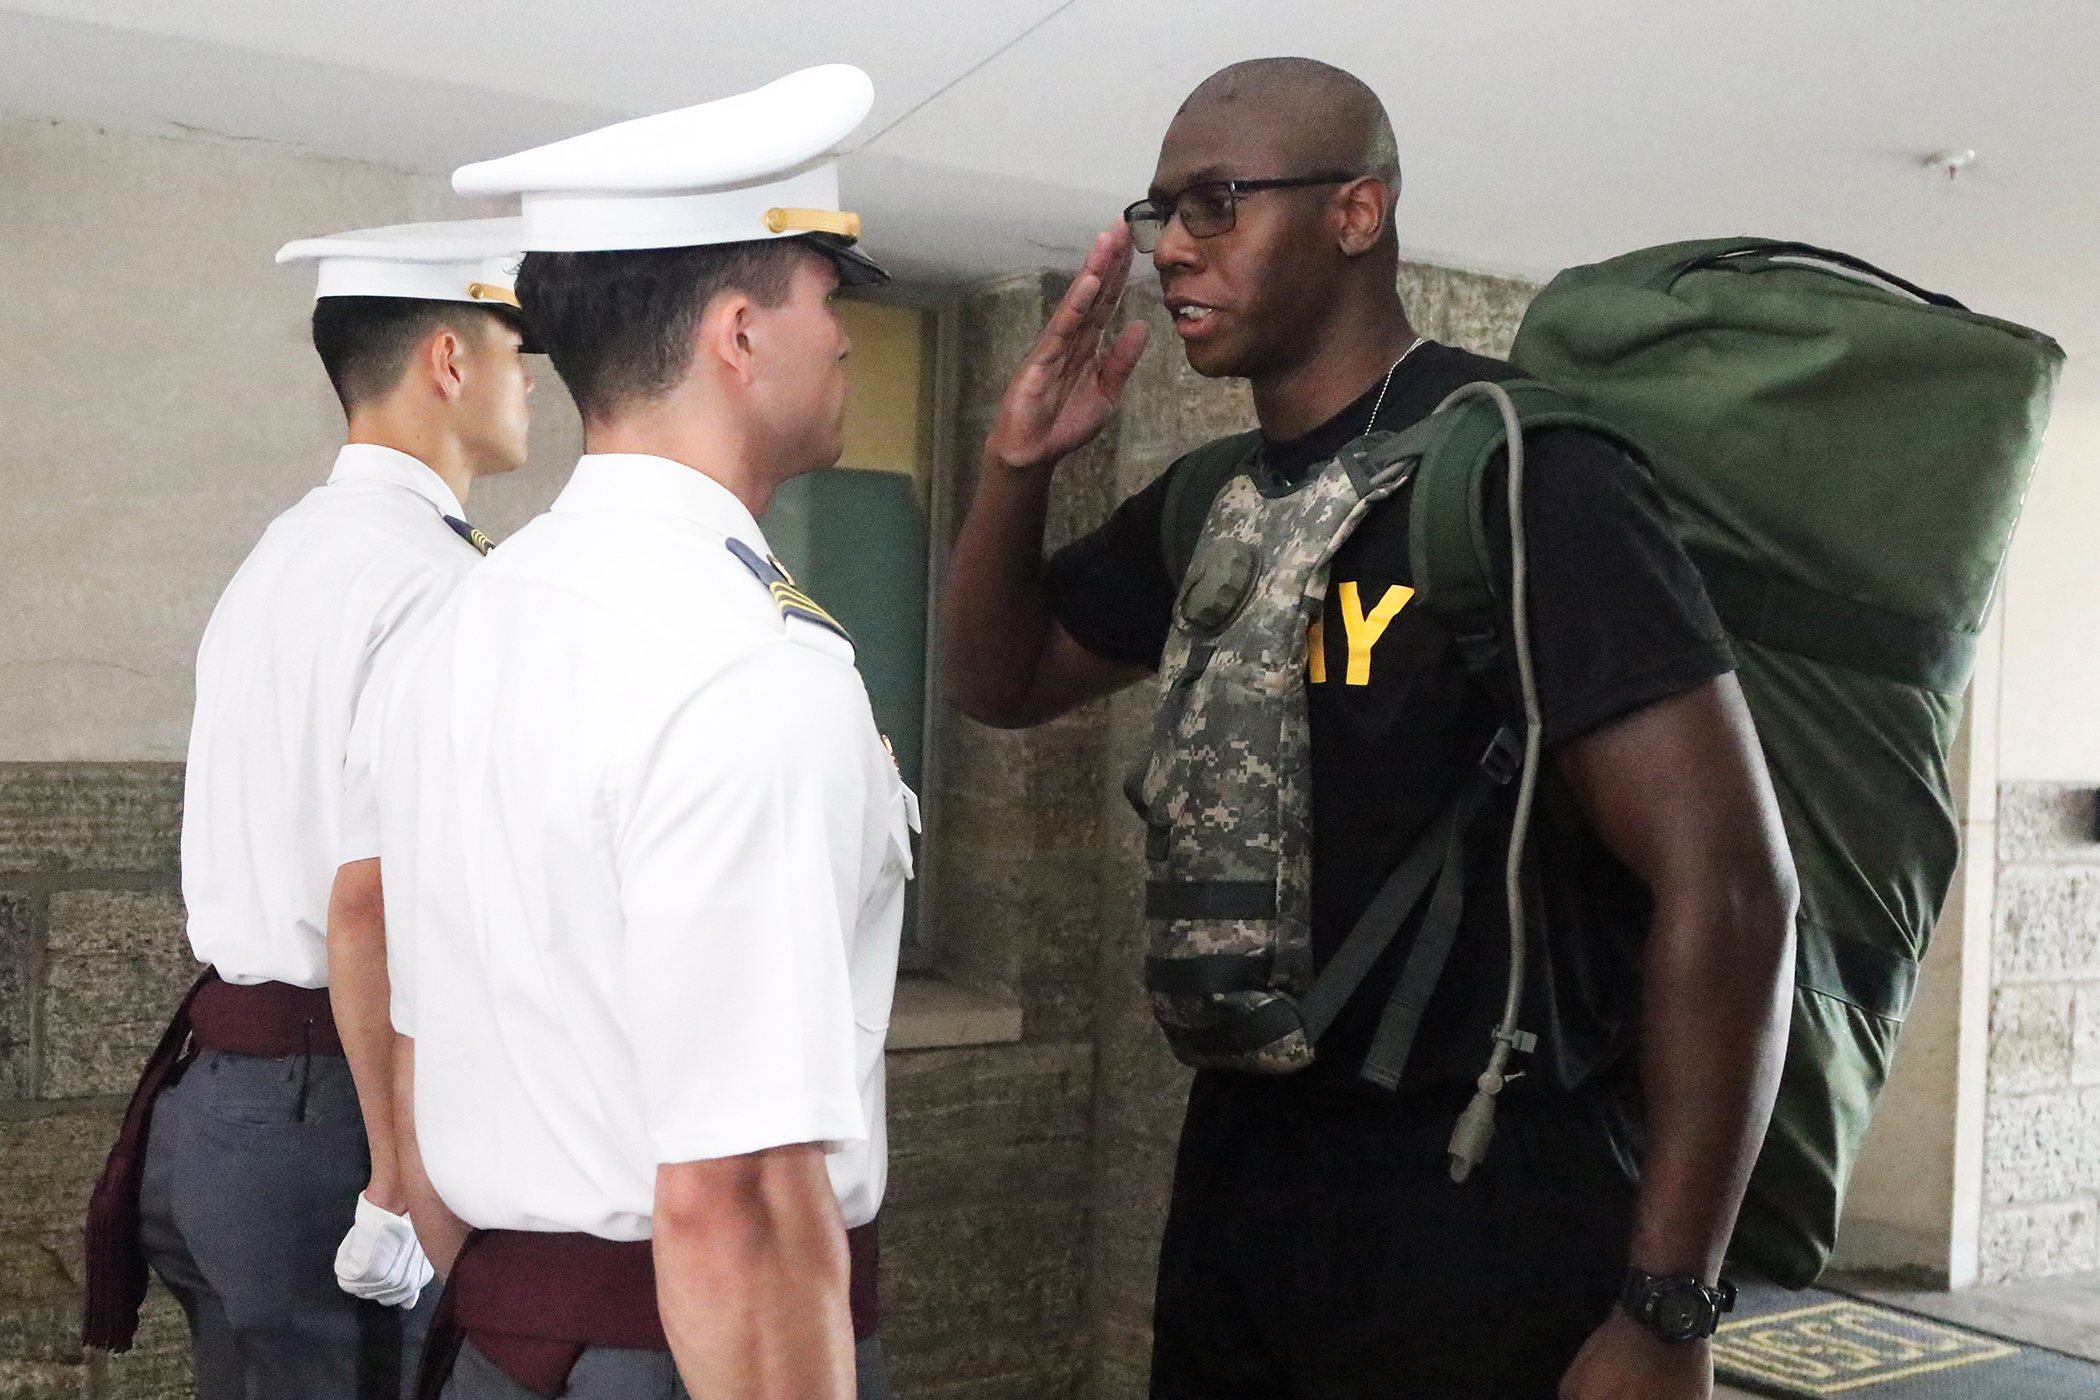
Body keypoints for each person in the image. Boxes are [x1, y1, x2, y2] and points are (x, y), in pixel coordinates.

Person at [940, 57, 1798, 1400]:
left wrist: (1668, 1307)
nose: (1173, 248)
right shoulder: (1214, 502)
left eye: (1218, 202)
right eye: (1162, 211)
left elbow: (1733, 885)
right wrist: (1016, 467)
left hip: (1480, 1185)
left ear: (1355, 213)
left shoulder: (1528, 476)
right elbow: (1002, 679)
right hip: (1247, 1167)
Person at [334, 64, 907, 1400]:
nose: (842, 341)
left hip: (503, 1338)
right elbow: (739, 1190)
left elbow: (426, 1033)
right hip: (690, 1349)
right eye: (824, 298)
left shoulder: (462, 625)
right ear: (738, 335)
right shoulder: (746, 663)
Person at [81, 218, 536, 1400]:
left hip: (226, 1100)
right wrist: (397, 1173)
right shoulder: (436, 580)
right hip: (336, 1104)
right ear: (449, 360)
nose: (531, 379)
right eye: (514, 347)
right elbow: (371, 896)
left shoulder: (285, 551)